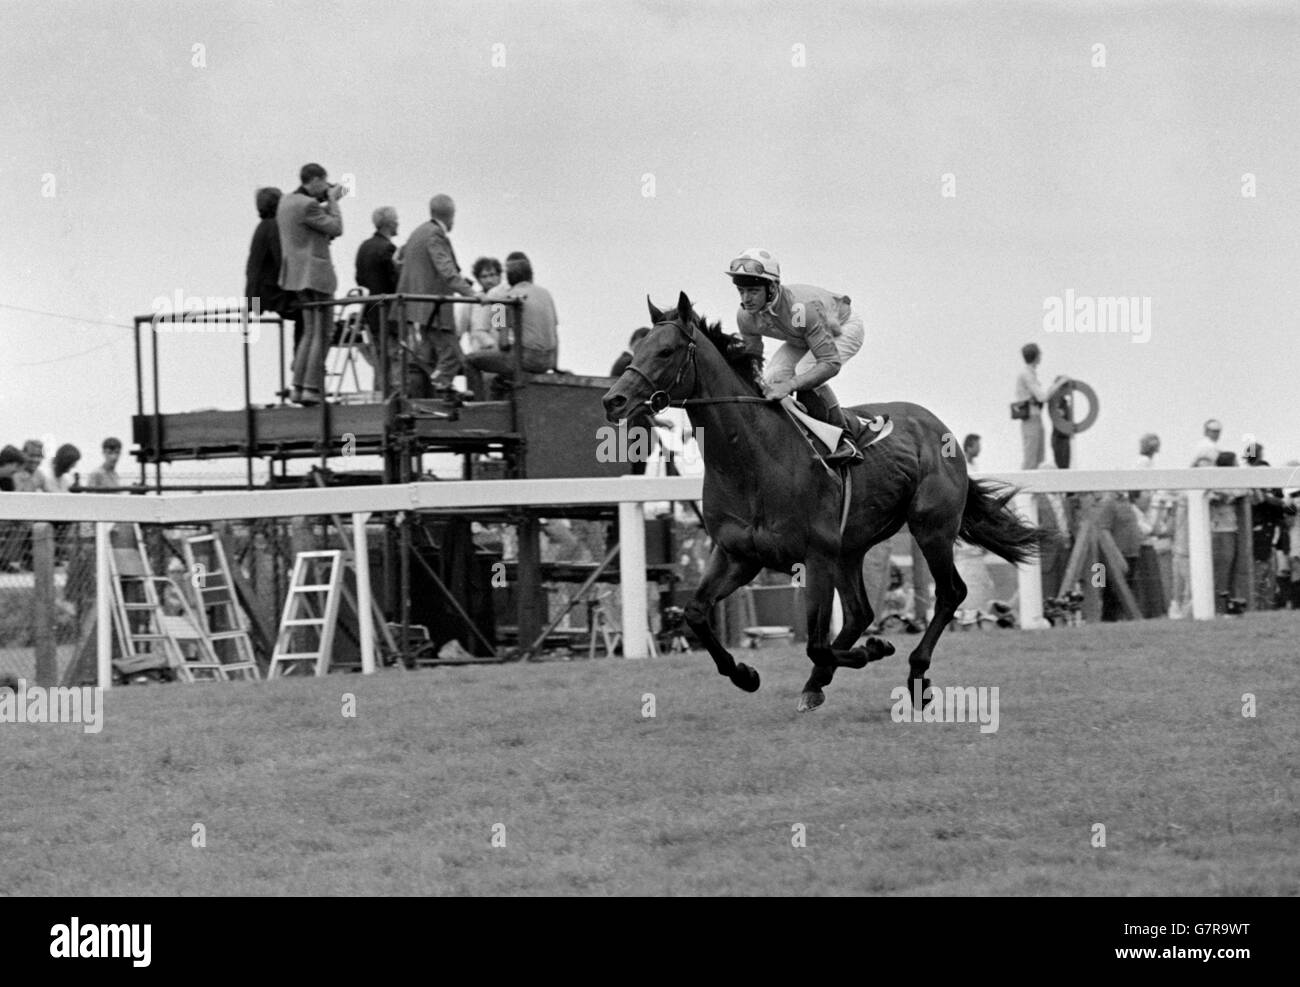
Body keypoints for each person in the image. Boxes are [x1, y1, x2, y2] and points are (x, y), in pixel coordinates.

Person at [726, 247, 873, 464]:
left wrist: (791, 385)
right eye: (741, 291)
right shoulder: (746, 316)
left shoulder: (800, 309)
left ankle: (845, 439)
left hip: (843, 327)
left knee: (803, 371)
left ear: (772, 287)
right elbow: (753, 359)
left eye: (753, 291)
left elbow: (830, 363)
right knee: (773, 377)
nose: (746, 299)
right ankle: (798, 434)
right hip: (804, 336)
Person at [396, 194, 477, 399]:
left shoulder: (418, 232)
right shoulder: (500, 300)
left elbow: (399, 258)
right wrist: (475, 295)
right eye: (487, 275)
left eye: (492, 275)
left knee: (439, 355)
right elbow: (499, 335)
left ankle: (438, 388)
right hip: (437, 309)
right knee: (463, 358)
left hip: (422, 309)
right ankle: (441, 386)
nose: (490, 279)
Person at [277, 163, 345, 406]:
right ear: (315, 180)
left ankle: (297, 386)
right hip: (316, 275)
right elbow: (337, 227)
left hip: (296, 277)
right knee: (323, 332)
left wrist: (326, 203)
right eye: (323, 182)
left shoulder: (286, 202)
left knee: (309, 331)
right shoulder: (309, 205)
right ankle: (312, 389)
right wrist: (333, 201)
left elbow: (307, 224)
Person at [465, 252, 558, 391]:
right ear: (531, 275)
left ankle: (476, 405)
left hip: (525, 360)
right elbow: (555, 333)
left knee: (469, 361)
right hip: (548, 361)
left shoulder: (503, 299)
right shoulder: (546, 294)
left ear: (507, 278)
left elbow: (502, 344)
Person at [355, 206, 401, 389]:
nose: (398, 223)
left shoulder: (364, 246)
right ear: (389, 224)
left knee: (380, 359)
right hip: (388, 310)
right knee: (395, 356)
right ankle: (395, 395)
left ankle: (380, 395)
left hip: (371, 309)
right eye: (396, 220)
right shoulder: (388, 248)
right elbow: (394, 280)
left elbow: (359, 278)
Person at [1243, 439, 1292, 610]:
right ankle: (1259, 604)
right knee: (1263, 567)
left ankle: (1264, 605)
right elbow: (1268, 501)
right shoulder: (1254, 477)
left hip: (1268, 530)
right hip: (1262, 529)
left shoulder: (1256, 475)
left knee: (1269, 568)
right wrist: (1282, 503)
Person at [244, 187, 294, 349]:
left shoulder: (263, 226)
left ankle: (301, 364)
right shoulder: (273, 226)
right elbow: (281, 260)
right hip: (269, 292)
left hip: (257, 293)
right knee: (311, 314)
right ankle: (302, 366)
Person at [459, 257, 511, 399]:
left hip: (499, 357)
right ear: (478, 279)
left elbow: (500, 327)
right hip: (480, 357)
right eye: (484, 276)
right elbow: (461, 330)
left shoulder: (500, 301)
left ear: (500, 275)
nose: (489, 280)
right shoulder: (471, 302)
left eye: (493, 275)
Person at [1013, 343, 1068, 470]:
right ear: (1036, 356)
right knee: (1031, 458)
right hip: (1030, 419)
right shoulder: (1026, 374)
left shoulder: (1030, 373)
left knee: (1039, 458)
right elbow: (1042, 397)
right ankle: (1026, 488)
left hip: (1035, 418)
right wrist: (1059, 383)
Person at [1208, 450, 1248, 613]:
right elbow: (1213, 496)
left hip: (1231, 530)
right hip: (1221, 531)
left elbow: (1244, 490)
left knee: (1231, 570)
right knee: (1222, 571)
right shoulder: (1215, 482)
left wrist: (1229, 494)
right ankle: (1219, 606)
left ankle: (1229, 605)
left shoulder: (1230, 483)